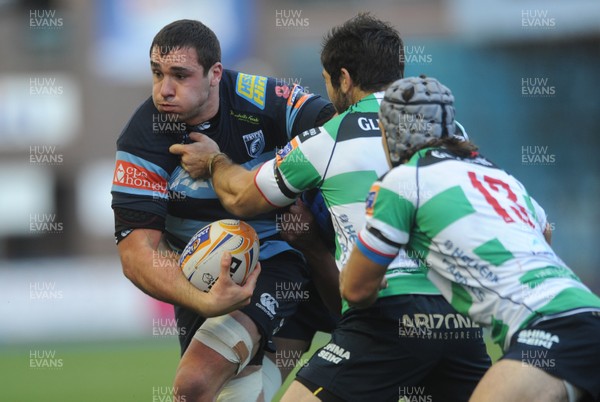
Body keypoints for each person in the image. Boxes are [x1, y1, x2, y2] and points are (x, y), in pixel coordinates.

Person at [173, 13, 491, 402]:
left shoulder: (333, 135)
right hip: (459, 317)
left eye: (328, 82)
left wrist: (215, 162)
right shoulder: (452, 132)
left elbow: (242, 197)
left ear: (343, 78)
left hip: (387, 314)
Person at [111, 19, 337, 402]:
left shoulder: (267, 100)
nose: (164, 90)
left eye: (180, 75)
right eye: (157, 73)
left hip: (278, 260)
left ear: (215, 73)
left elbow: (342, 132)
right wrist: (204, 301)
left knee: (193, 383)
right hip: (198, 276)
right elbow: (137, 253)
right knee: (221, 394)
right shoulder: (142, 136)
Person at [341, 75, 600, 402]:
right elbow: (544, 229)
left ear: (389, 133)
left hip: (549, 329)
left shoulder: (402, 182)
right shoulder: (499, 175)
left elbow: (355, 289)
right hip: (587, 311)